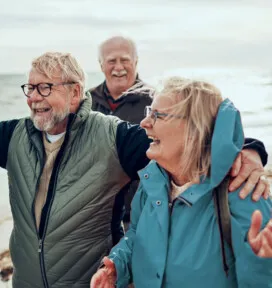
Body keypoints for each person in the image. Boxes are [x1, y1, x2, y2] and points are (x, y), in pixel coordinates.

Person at [0, 52, 269, 288]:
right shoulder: (14, 135)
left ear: (74, 94)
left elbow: (196, 134)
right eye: (30, 88)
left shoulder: (113, 138)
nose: (33, 98)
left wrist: (248, 149)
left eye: (45, 87)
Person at [91, 78, 272, 288]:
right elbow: (137, 236)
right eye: (149, 112)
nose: (145, 123)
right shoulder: (152, 182)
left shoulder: (244, 191)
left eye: (157, 115)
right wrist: (117, 267)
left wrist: (262, 264)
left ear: (193, 128)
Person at [89, 36, 153, 241]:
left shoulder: (156, 102)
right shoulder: (84, 103)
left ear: (135, 62)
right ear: (101, 65)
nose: (119, 67)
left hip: (142, 213)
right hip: (95, 215)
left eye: (125, 60)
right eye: (111, 61)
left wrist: (251, 147)